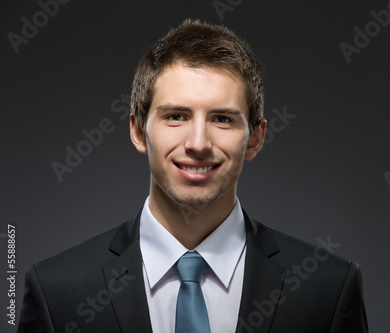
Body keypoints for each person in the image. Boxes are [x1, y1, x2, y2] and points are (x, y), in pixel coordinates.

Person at [18, 19, 368, 333]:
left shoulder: (328, 289)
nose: (198, 143)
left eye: (222, 118)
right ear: (139, 131)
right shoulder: (57, 291)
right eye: (176, 116)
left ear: (256, 138)